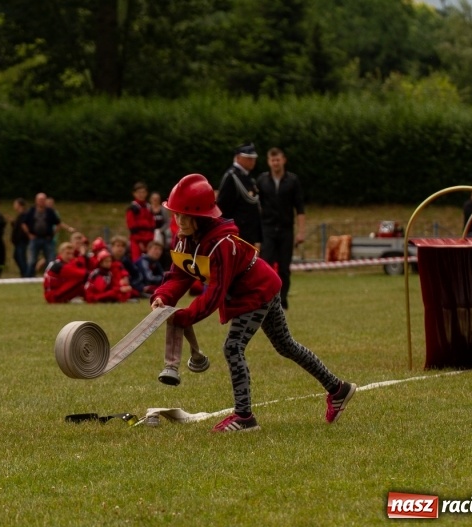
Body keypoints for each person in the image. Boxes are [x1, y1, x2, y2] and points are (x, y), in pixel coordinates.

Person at [150, 174, 356, 432]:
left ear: (201, 216)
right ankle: (338, 389)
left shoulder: (221, 244)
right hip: (261, 288)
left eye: (183, 215)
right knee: (286, 345)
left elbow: (214, 294)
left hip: (257, 292)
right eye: (176, 214)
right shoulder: (184, 238)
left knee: (233, 346)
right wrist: (163, 297)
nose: (177, 220)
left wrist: (184, 317)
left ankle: (244, 417)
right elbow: (179, 274)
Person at [257, 147, 306, 310]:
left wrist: (301, 231)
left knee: (284, 268)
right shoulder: (262, 180)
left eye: (278, 159)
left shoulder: (293, 180)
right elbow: (257, 207)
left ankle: (282, 301)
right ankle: (266, 299)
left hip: (286, 229)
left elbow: (299, 208)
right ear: (268, 162)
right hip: (267, 229)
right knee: (266, 265)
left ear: (283, 160)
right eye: (272, 160)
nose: (275, 163)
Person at [215, 142, 262, 248]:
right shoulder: (232, 177)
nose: (252, 161)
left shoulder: (248, 177)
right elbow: (223, 207)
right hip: (238, 233)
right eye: (248, 158)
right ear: (238, 158)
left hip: (249, 233)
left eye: (253, 158)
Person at [22, 192, 61, 276]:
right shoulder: (31, 211)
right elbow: (24, 223)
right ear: (36, 201)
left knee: (50, 260)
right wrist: (29, 234)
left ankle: (51, 276)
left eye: (43, 200)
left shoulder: (50, 211)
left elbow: (58, 223)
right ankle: (29, 277)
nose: (41, 202)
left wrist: (53, 234)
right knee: (32, 260)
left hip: (47, 239)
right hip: (35, 238)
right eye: (40, 200)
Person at [126, 181, 156, 262]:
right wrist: (139, 242)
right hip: (137, 240)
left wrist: (151, 240)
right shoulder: (132, 208)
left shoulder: (148, 207)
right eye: (139, 192)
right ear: (134, 194)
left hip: (149, 240)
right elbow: (132, 227)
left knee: (150, 261)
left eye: (143, 192)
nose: (141, 194)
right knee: (137, 261)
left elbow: (152, 224)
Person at [149, 191, 172, 269]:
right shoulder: (148, 209)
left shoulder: (163, 210)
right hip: (150, 233)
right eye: (154, 199)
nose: (155, 201)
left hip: (161, 233)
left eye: (157, 199)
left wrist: (160, 230)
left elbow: (167, 222)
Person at [10, 198, 31, 277]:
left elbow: (23, 227)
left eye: (15, 204)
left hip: (22, 240)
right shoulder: (19, 215)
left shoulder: (24, 215)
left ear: (19, 205)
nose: (14, 206)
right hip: (18, 241)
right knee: (17, 256)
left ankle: (26, 273)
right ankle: (23, 272)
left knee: (21, 257)